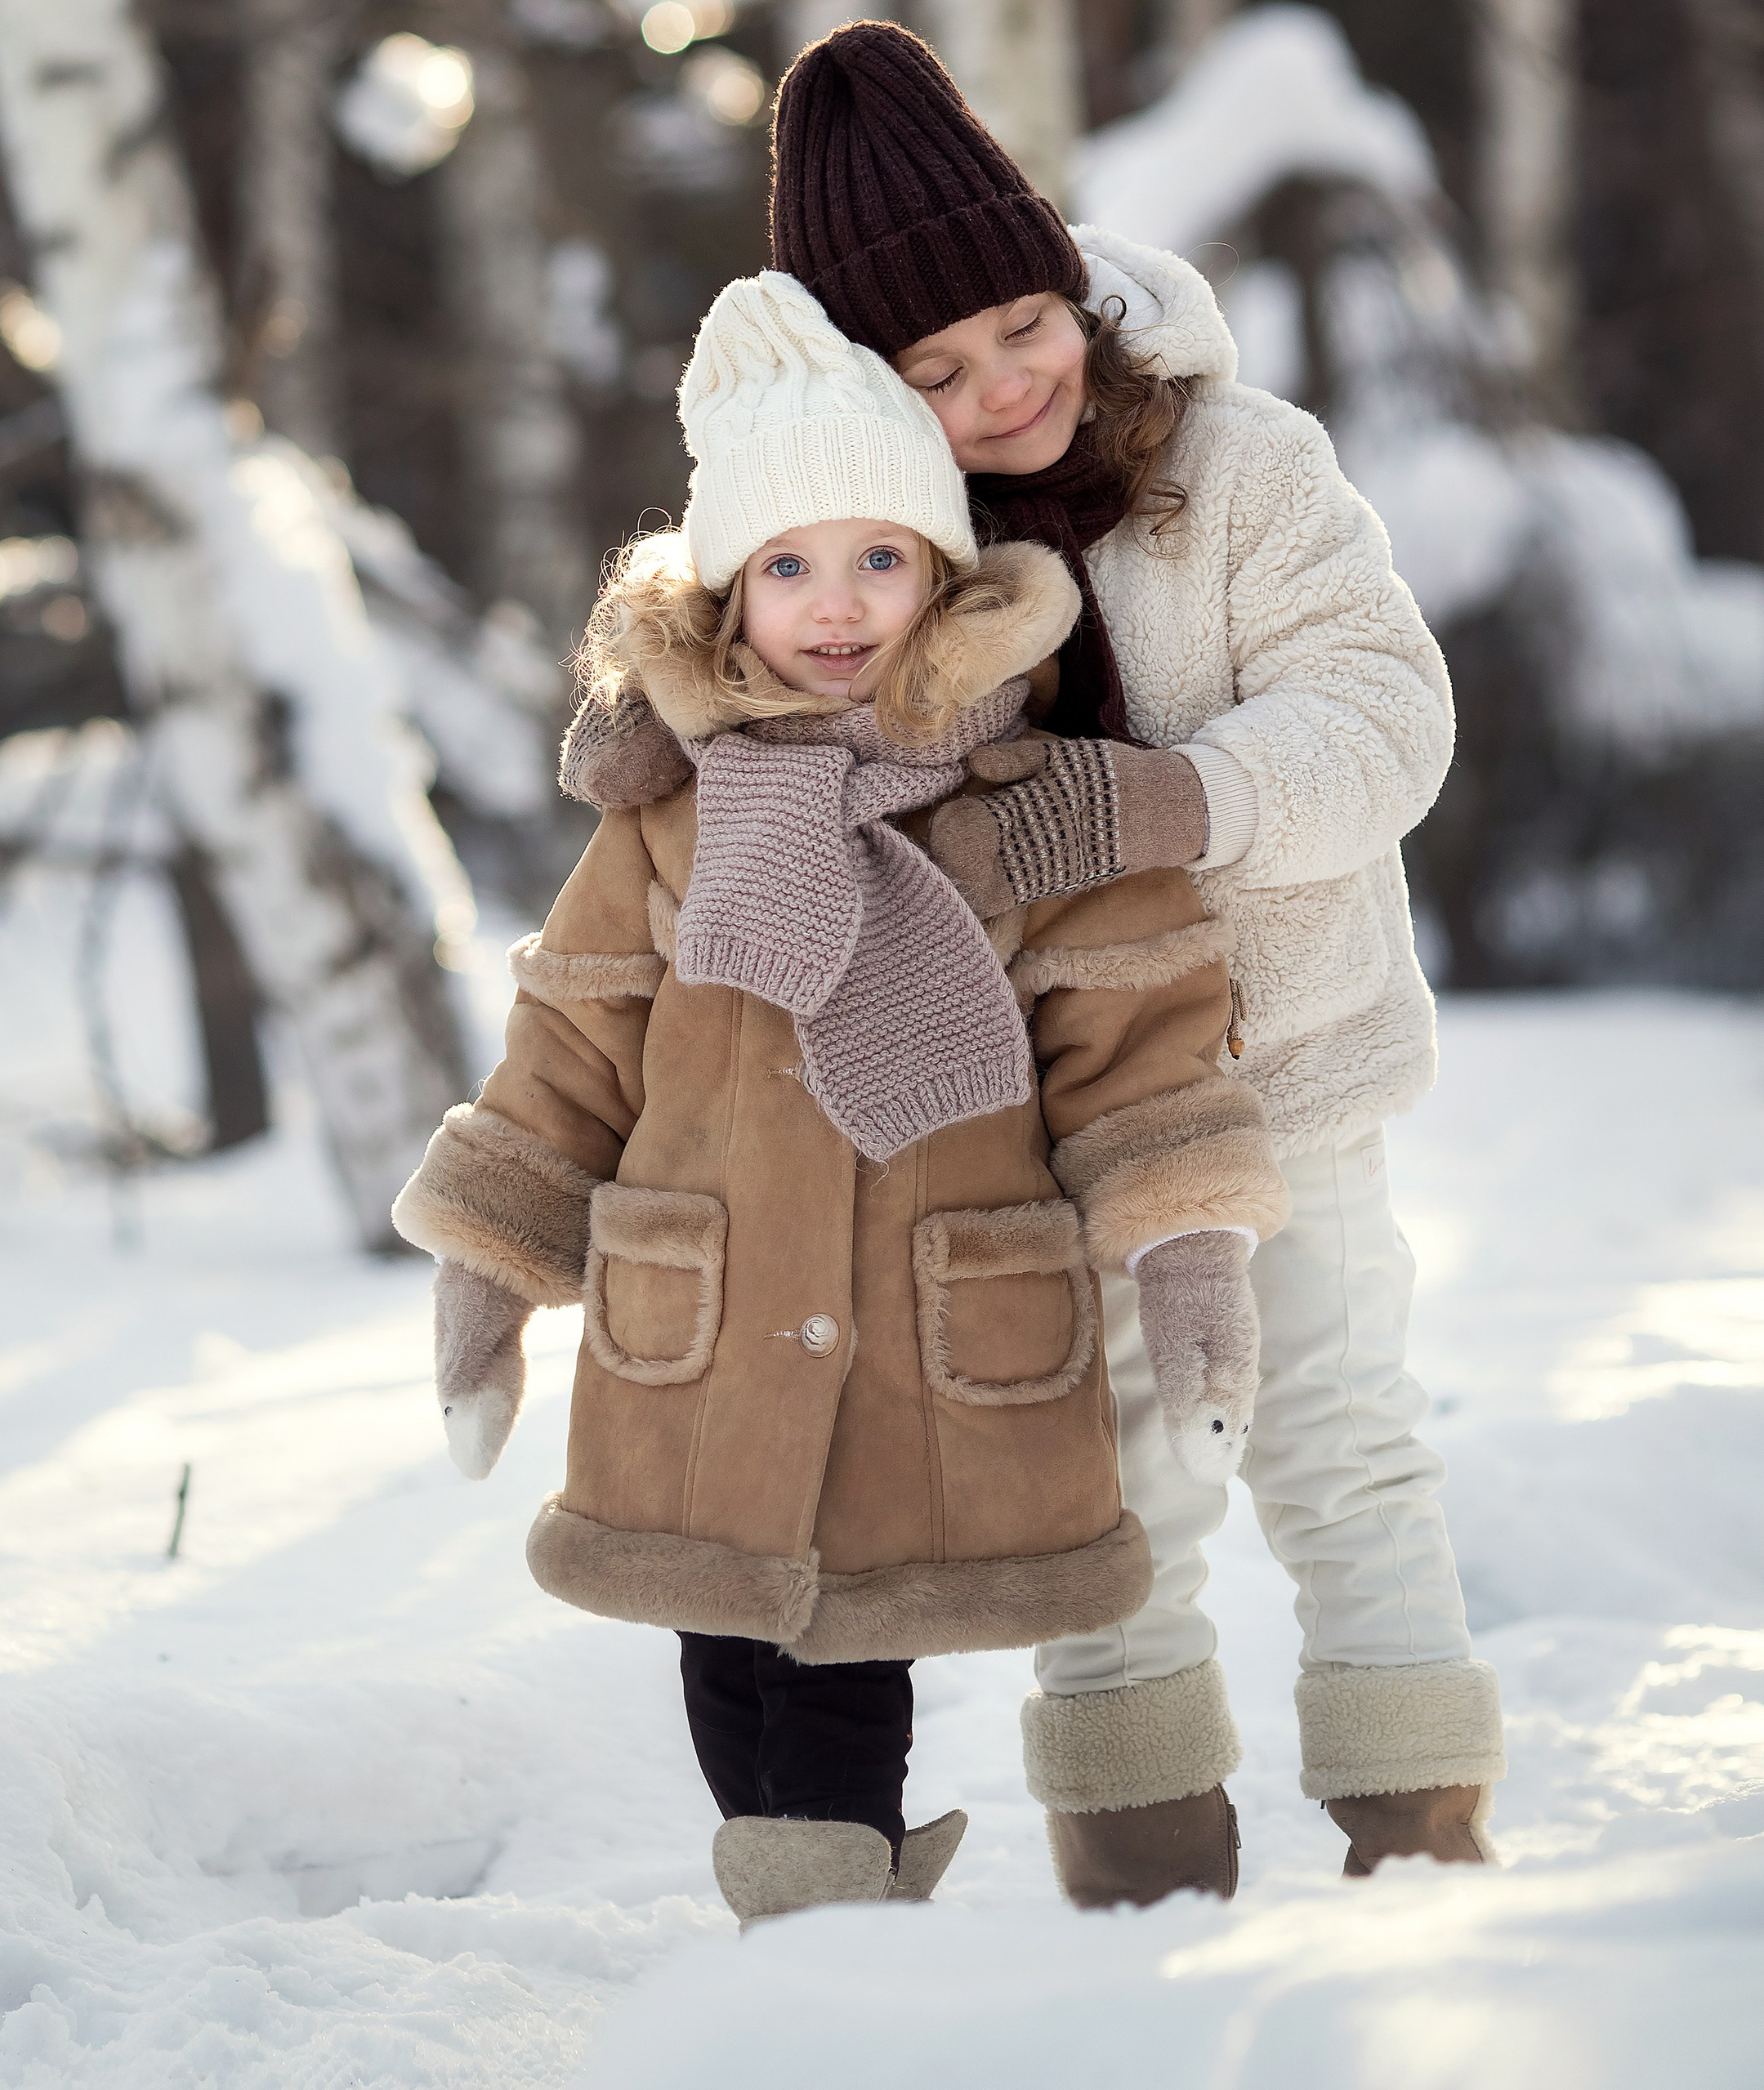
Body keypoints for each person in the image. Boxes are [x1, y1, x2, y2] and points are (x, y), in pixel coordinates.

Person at [395, 270, 1287, 1925]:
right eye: (788, 563)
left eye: (878, 556)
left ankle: (820, 1933)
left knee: (841, 1640)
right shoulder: (669, 817)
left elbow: (1139, 1032)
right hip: (707, 1313)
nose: (833, 602)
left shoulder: (1018, 802)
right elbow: (573, 1038)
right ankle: (829, 1888)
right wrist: (492, 1258)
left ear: (941, 572)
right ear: (728, 593)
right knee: (723, 1633)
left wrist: (1185, 1243)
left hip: (917, 1325)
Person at [757, 18, 1503, 1906]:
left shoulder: (1243, 467)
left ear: (1064, 278)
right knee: (1100, 1500)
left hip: (1288, 1067)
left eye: (1019, 323)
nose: (1001, 383)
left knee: (1333, 1436)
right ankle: (1143, 1882)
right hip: (1039, 1112)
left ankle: (1418, 1842)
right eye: (933, 368)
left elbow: (1380, 714)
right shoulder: (878, 551)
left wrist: (1165, 804)